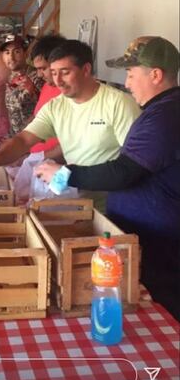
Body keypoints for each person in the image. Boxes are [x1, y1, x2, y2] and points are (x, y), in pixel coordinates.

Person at [35, 36, 180, 320]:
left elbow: (124, 172)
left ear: (155, 75)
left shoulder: (164, 116)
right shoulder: (160, 111)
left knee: (167, 313)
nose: (126, 83)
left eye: (130, 73)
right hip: (150, 233)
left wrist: (67, 173)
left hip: (162, 239)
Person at [0, 40, 140, 212]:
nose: (58, 81)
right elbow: (24, 140)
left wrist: (65, 173)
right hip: (78, 202)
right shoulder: (56, 107)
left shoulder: (118, 104)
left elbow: (132, 165)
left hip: (113, 207)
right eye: (53, 73)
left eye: (65, 72)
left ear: (86, 70)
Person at [29, 34, 66, 154]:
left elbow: (72, 142)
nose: (39, 75)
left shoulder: (72, 94)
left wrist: (41, 159)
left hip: (54, 166)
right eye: (37, 69)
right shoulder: (47, 85)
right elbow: (36, 118)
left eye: (43, 68)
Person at [0, 34, 43, 135]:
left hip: (35, 138)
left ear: (25, 53)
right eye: (7, 52)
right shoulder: (10, 77)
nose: (11, 57)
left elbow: (48, 106)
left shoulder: (37, 76)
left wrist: (33, 91)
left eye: (17, 51)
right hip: (16, 137)